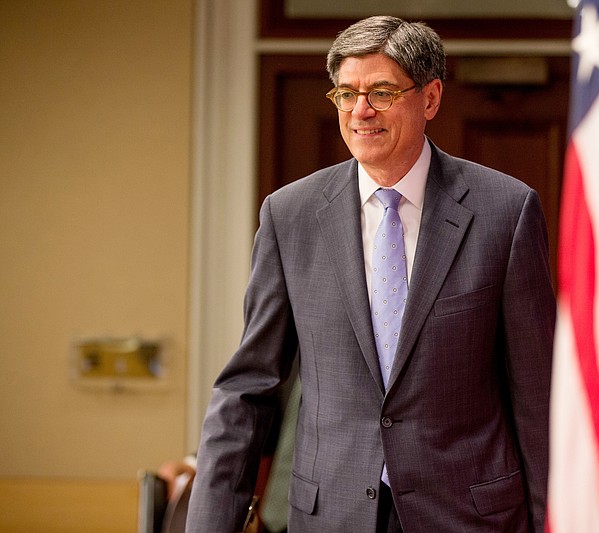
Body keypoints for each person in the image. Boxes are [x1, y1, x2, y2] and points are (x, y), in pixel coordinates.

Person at [185, 15, 556, 533]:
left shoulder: (505, 210)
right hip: (331, 514)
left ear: (429, 98)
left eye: (381, 92)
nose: (360, 111)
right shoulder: (290, 215)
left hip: (470, 516)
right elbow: (249, 387)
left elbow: (538, 397)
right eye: (345, 93)